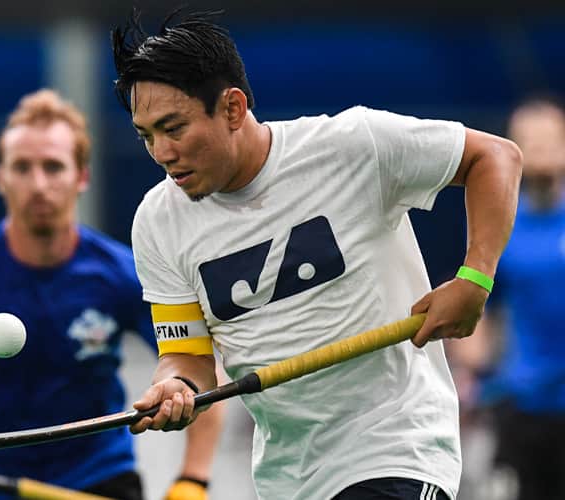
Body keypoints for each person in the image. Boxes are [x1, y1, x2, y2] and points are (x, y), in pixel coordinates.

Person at [110, 10, 523, 500]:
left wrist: (475, 279)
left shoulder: (353, 145)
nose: (161, 152)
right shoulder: (158, 222)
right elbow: (188, 356)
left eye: (173, 128)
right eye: (146, 135)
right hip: (288, 476)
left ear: (233, 108)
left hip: (397, 446)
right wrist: (177, 386)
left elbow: (495, 157)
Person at [0, 88, 224, 500]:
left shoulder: (125, 274)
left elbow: (199, 371)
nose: (38, 185)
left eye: (53, 167)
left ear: (81, 177)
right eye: (22, 167)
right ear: (0, 177)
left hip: (100, 479)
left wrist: (193, 479)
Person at [448, 96, 565, 500]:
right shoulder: (500, 225)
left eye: (551, 140)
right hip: (522, 405)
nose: (542, 151)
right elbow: (482, 310)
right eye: (530, 142)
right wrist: (470, 366)